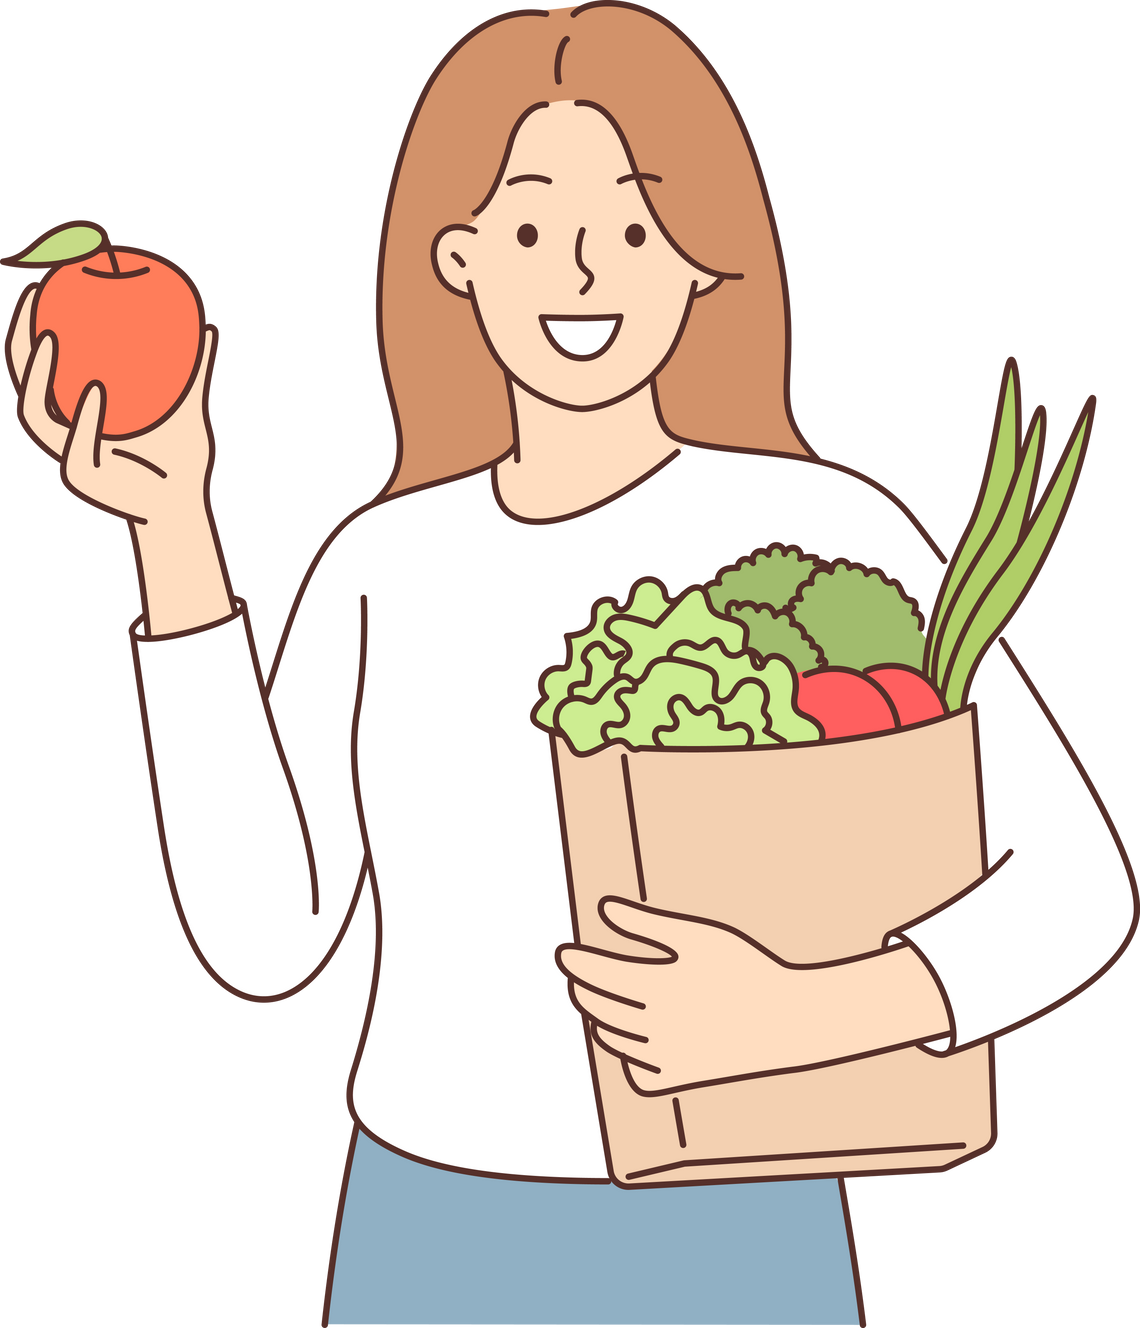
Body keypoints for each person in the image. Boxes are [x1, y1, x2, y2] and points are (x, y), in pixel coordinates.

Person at [6, 6, 1135, 1325]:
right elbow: (265, 941)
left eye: (636, 227)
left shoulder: (826, 537)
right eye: (534, 228)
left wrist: (811, 1014)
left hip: (740, 1216)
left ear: (704, 264)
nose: (584, 273)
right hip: (430, 1219)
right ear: (461, 259)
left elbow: (1074, 890)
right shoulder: (386, 564)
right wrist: (172, 528)